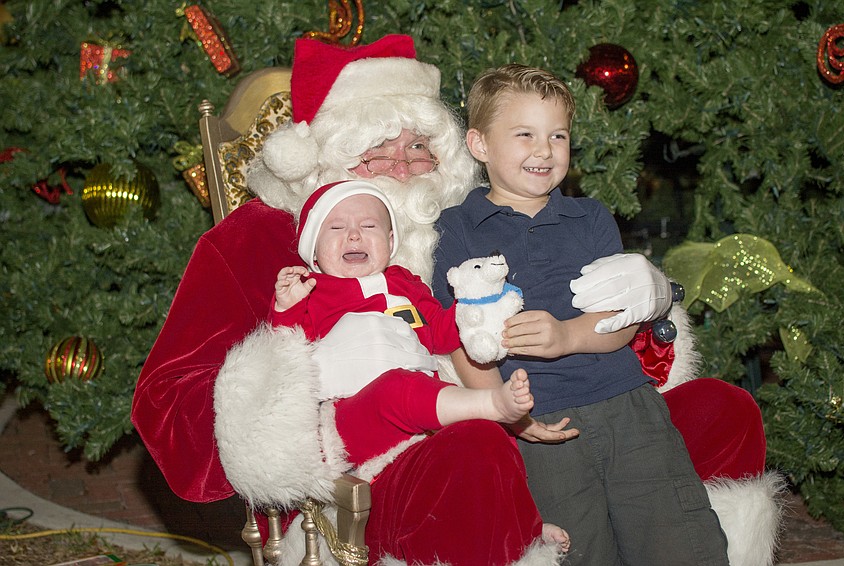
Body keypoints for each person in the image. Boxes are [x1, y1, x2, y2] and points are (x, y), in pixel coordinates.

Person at [132, 33, 776, 566]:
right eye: (379, 151)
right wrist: (308, 373)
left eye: (419, 147)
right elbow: (170, 409)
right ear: (323, 159)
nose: (407, 167)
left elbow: (585, 319)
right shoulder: (263, 238)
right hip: (393, 461)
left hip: (551, 411)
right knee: (479, 455)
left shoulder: (472, 212)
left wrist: (656, 298)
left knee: (721, 412)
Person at [431, 64, 730, 565]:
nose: (544, 149)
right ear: (480, 144)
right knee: (578, 550)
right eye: (524, 134)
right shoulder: (456, 228)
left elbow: (621, 319)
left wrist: (567, 334)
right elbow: (460, 338)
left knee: (681, 538)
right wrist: (504, 411)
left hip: (627, 407)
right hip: (541, 425)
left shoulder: (589, 217)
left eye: (558, 135)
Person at [272, 179, 572, 551]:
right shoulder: (313, 290)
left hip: (417, 421)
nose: (354, 236)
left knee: (490, 436)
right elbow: (284, 354)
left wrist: (474, 305)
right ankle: (490, 403)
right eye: (336, 227)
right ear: (313, 252)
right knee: (398, 389)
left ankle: (525, 523)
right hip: (350, 419)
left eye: (369, 226)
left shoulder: (405, 285)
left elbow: (442, 334)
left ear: (390, 241)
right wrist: (285, 308)